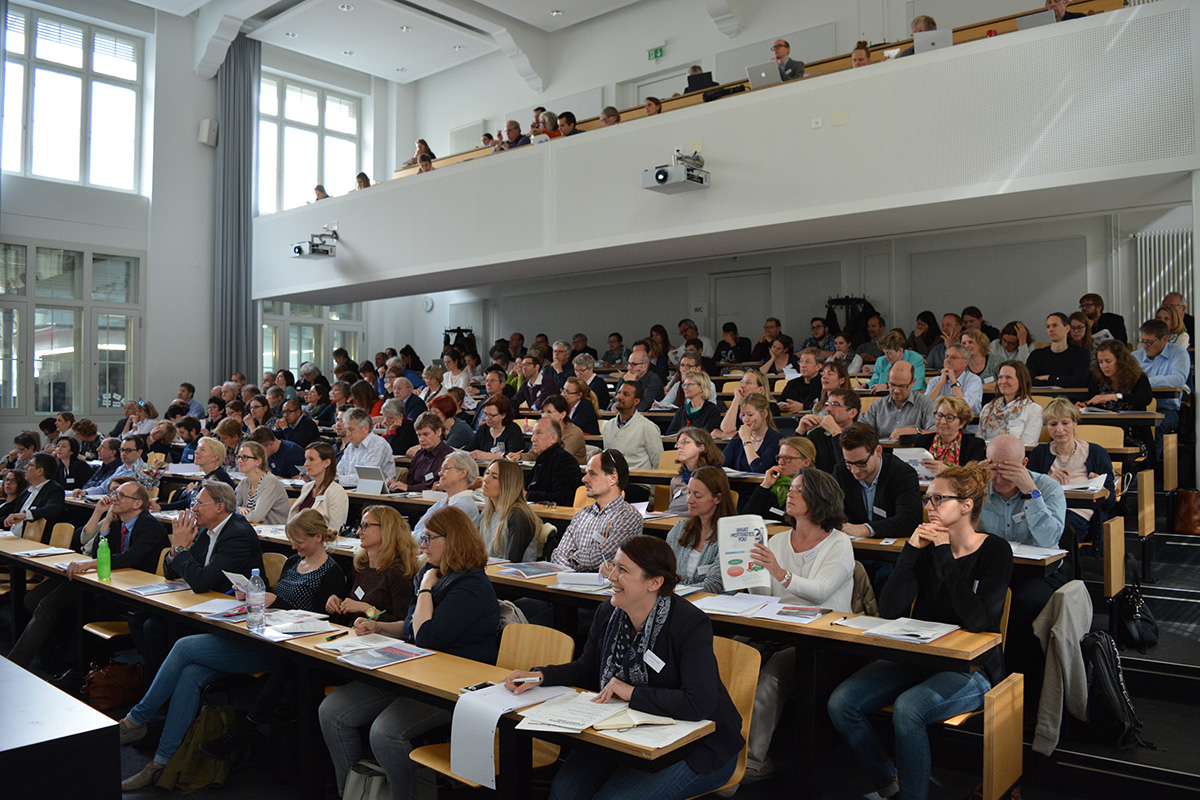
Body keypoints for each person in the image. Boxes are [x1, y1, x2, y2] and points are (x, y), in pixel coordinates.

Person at [505, 535, 743, 800]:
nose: (611, 577)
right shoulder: (609, 612)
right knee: (564, 792)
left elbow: (699, 703)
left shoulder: (689, 623)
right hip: (626, 732)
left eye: (623, 570)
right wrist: (541, 676)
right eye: (614, 566)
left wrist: (630, 692)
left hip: (700, 746)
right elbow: (587, 669)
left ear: (654, 582)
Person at [119, 509, 345, 789]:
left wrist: (273, 601)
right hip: (261, 633)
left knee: (184, 647)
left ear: (318, 537)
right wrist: (253, 595)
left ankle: (135, 720)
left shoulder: (332, 573)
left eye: (299, 541)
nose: (293, 547)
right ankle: (160, 763)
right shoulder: (292, 563)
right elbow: (276, 600)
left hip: (285, 650)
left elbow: (320, 621)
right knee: (190, 673)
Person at [828, 464, 1012, 800]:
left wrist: (944, 553)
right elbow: (891, 609)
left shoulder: (995, 551)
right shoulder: (924, 548)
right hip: (918, 655)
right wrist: (912, 551)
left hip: (971, 667)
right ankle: (888, 784)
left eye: (938, 499)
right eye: (927, 499)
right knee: (842, 702)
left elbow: (977, 620)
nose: (928, 506)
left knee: (909, 708)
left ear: (966, 505)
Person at [320, 506, 498, 796]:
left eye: (429, 539)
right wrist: (380, 628)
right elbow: (412, 628)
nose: (422, 545)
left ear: (452, 540)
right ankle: (355, 792)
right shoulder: (432, 572)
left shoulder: (470, 585)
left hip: (453, 686)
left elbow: (427, 636)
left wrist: (426, 588)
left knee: (386, 733)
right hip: (418, 671)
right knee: (332, 711)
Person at [742, 467, 856, 781]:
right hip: (779, 630)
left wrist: (778, 572)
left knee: (774, 672)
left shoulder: (839, 544)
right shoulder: (779, 541)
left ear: (819, 499)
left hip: (824, 641)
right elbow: (765, 596)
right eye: (790, 488)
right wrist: (752, 573)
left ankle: (753, 760)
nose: (789, 493)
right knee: (732, 653)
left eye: (799, 490)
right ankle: (720, 746)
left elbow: (819, 591)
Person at [129, 481, 265, 683]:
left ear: (219, 507)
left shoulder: (237, 534)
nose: (194, 508)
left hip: (229, 618)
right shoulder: (205, 530)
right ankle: (157, 683)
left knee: (154, 627)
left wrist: (183, 550)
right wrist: (176, 547)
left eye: (200, 504)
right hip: (202, 607)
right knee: (138, 619)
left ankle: (162, 686)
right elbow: (171, 573)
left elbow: (202, 582)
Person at [979, 434, 1067, 705]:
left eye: (1009, 468)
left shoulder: (1048, 488)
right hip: (992, 570)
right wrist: (973, 486)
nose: (1000, 476)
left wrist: (1032, 493)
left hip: (1037, 574)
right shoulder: (979, 488)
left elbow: (1048, 538)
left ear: (1024, 463)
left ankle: (1024, 695)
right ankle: (979, 683)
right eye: (994, 467)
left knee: (1021, 609)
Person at [1030, 398, 1116, 547]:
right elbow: (1029, 493)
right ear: (1046, 426)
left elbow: (1111, 501)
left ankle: (1059, 568)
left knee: (1058, 530)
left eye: (1065, 423)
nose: (1059, 429)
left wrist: (1101, 489)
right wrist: (1047, 481)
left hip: (1078, 515)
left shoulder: (1096, 452)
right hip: (1046, 510)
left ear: (1075, 422)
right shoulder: (1039, 453)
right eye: (1053, 424)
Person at [551, 450, 643, 569]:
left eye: (592, 474)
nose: (584, 479)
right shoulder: (582, 515)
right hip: (570, 581)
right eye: (586, 473)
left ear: (613, 478)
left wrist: (571, 557)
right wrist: (572, 570)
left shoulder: (629, 517)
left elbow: (601, 558)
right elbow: (557, 554)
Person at [834, 423, 922, 541]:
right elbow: (831, 512)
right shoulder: (841, 472)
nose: (855, 471)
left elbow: (909, 520)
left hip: (890, 554)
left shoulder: (902, 473)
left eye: (861, 463)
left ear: (878, 451)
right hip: (854, 550)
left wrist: (865, 529)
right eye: (849, 463)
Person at [664, 466, 737, 594]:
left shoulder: (732, 536)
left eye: (697, 495)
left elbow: (715, 585)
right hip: (677, 600)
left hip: (714, 605)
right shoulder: (680, 528)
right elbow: (663, 570)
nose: (689, 500)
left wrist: (676, 592)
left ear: (718, 498)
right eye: (689, 492)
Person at [1132, 318, 1189, 447]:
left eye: (1150, 342)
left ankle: (1153, 465)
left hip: (1166, 410)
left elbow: (1177, 380)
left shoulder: (1178, 353)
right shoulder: (1135, 356)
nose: (1145, 346)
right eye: (1143, 341)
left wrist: (1144, 383)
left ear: (1164, 339)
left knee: (1155, 427)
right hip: (1138, 409)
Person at [410, 452, 482, 543]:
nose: (440, 473)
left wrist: (409, 538)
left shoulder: (464, 507)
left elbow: (432, 540)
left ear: (463, 473)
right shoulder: (442, 503)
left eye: (446, 468)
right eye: (441, 469)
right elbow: (418, 529)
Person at [744, 436, 816, 525]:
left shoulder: (813, 488)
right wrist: (765, 486)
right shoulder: (775, 483)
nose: (781, 463)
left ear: (806, 463)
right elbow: (747, 517)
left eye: (787, 458)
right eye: (780, 457)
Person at [480, 460, 542, 562]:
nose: (486, 479)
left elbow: (513, 561)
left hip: (509, 575)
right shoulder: (486, 513)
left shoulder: (518, 515)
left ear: (508, 484)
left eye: (494, 477)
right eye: (487, 473)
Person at [862, 360, 935, 440]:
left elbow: (936, 433)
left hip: (913, 450)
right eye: (892, 385)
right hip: (882, 450)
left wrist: (915, 431)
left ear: (913, 382)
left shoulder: (926, 404)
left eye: (902, 386)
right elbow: (861, 431)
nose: (896, 390)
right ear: (888, 378)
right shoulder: (877, 405)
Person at [915, 396, 986, 476]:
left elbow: (973, 478)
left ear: (962, 423)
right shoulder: (922, 441)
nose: (942, 422)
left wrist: (947, 471)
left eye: (949, 418)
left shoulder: (974, 445)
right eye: (939, 415)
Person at [603, 380, 664, 472]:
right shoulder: (608, 426)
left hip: (639, 482)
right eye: (619, 393)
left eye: (626, 394)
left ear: (636, 401)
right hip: (613, 480)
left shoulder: (648, 427)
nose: (619, 397)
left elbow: (658, 461)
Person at [977, 361, 1043, 444]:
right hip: (987, 455)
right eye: (1000, 377)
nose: (1003, 381)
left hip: (1017, 455)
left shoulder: (1033, 410)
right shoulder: (988, 408)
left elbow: (1027, 444)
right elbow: (978, 441)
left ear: (1021, 381)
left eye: (1008, 377)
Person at [289, 441, 349, 532]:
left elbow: (335, 530)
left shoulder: (337, 493)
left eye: (311, 459)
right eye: (306, 459)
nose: (306, 464)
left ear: (327, 463)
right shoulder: (307, 487)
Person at [3, 452, 65, 538]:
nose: (25, 467)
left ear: (40, 471)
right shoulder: (27, 490)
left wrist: (25, 515)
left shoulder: (54, 489)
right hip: (12, 535)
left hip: (33, 540)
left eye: (30, 465)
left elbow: (51, 510)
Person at [524, 418, 583, 506]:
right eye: (533, 434)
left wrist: (528, 495)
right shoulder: (543, 458)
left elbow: (563, 498)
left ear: (553, 438)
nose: (532, 439)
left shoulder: (564, 461)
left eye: (538, 433)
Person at [801, 388, 862, 473]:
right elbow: (793, 460)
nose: (828, 409)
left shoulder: (862, 435)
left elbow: (847, 471)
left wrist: (836, 433)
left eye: (835, 404)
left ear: (852, 413)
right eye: (827, 404)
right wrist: (800, 431)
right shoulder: (817, 434)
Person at [666, 428, 725, 515]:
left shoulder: (713, 477)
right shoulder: (677, 480)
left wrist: (669, 516)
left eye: (685, 442)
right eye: (678, 443)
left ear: (701, 448)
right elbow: (672, 508)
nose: (679, 446)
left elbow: (710, 513)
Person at [391, 412, 454, 492]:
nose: (421, 439)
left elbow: (439, 488)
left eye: (426, 434)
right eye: (419, 435)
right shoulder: (418, 455)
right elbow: (410, 483)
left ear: (438, 432)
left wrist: (408, 488)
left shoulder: (449, 457)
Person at [1083, 340, 1152, 412]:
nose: (1104, 366)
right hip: (1104, 422)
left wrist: (1116, 396)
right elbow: (1094, 404)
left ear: (1120, 360)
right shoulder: (1096, 379)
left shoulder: (1138, 377)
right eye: (1100, 362)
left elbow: (1145, 399)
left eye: (1108, 361)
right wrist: (1085, 406)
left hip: (1132, 422)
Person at [1026, 312, 1091, 387]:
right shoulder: (1036, 355)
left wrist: (1049, 378)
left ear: (1067, 328)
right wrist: (1059, 381)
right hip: (1042, 397)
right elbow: (1027, 381)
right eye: (1048, 326)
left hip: (1072, 397)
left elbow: (1079, 381)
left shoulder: (1081, 354)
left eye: (1055, 325)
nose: (1051, 329)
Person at [233, 441, 291, 524]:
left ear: (258, 462)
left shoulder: (269, 482)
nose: (239, 461)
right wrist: (239, 509)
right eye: (238, 457)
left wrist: (236, 512)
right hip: (254, 530)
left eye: (245, 457)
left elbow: (256, 517)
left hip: (274, 534)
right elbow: (229, 507)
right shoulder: (244, 483)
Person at [722, 393, 781, 474]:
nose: (745, 420)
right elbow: (722, 462)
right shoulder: (738, 437)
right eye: (743, 415)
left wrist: (746, 440)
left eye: (750, 415)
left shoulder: (777, 439)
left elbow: (758, 467)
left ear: (764, 414)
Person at [335, 408, 397, 484]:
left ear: (365, 428)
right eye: (347, 430)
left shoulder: (379, 445)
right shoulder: (350, 446)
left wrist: (337, 479)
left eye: (351, 429)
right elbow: (338, 472)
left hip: (374, 494)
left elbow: (366, 479)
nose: (348, 434)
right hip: (352, 492)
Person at [717, 369, 780, 437]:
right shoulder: (741, 407)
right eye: (742, 382)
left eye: (748, 382)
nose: (742, 386)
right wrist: (736, 399)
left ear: (760, 389)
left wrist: (723, 435)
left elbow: (760, 434)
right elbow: (726, 428)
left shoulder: (771, 407)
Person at [925, 343, 983, 413]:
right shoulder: (935, 380)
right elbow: (925, 406)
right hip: (938, 422)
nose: (948, 360)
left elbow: (966, 407)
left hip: (967, 422)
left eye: (954, 357)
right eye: (946, 356)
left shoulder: (974, 380)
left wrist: (954, 382)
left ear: (965, 362)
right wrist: (940, 384)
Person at [469, 394, 525, 461]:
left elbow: (513, 455)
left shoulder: (513, 429)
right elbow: (471, 448)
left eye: (491, 415)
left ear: (503, 415)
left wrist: (489, 456)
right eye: (485, 414)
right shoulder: (483, 429)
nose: (487, 418)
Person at [779, 347, 823, 413]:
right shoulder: (792, 383)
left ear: (818, 367)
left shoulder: (824, 384)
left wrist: (804, 407)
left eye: (807, 362)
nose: (802, 365)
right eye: (801, 362)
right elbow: (781, 401)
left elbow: (824, 405)